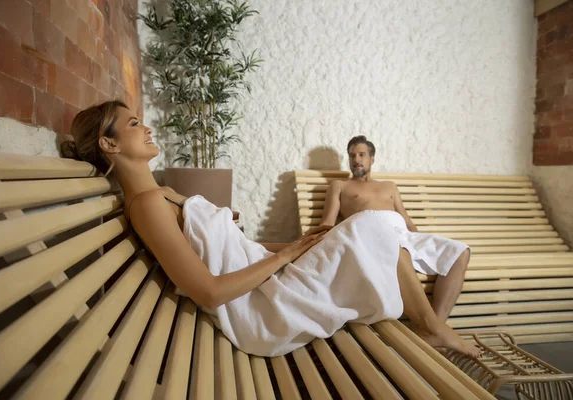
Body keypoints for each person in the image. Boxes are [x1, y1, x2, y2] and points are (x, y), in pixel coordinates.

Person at [61, 100, 480, 357]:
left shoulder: (163, 194)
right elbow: (208, 290)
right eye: (133, 123)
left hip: (267, 274)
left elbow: (235, 246)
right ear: (109, 144)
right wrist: (284, 257)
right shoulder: (148, 205)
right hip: (261, 307)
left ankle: (430, 325)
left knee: (380, 227)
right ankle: (432, 326)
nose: (146, 126)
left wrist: (297, 244)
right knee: (378, 225)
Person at [318, 135, 471, 323]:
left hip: (403, 235)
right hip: (372, 237)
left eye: (361, 154)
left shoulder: (389, 186)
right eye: (352, 155)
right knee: (401, 254)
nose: (356, 160)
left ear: (372, 159)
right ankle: (433, 328)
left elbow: (407, 220)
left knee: (460, 252)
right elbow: (327, 222)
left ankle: (437, 327)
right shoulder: (340, 186)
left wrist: (420, 240)